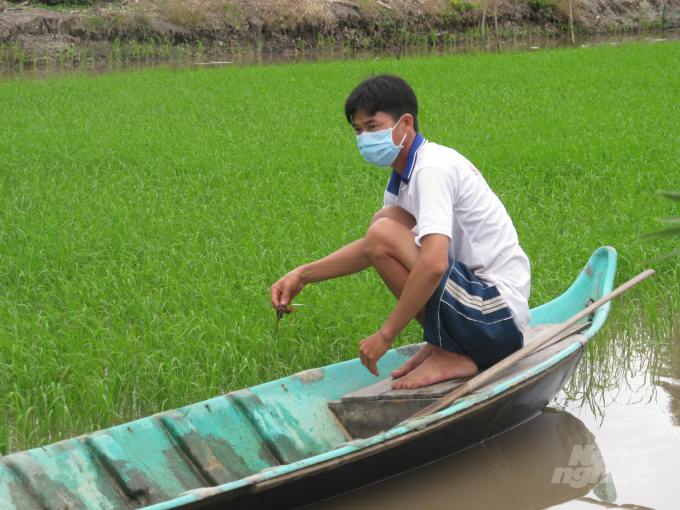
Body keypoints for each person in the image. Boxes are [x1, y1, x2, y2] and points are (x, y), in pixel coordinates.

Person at [270, 74, 531, 389]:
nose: (364, 138)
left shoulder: (431, 168)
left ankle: (449, 353)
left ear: (405, 123)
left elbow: (433, 263)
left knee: (383, 231)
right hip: (478, 312)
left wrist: (385, 336)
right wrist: (303, 274)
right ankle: (442, 346)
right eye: (358, 130)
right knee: (383, 223)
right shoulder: (403, 181)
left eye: (372, 127)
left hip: (497, 318)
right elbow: (373, 248)